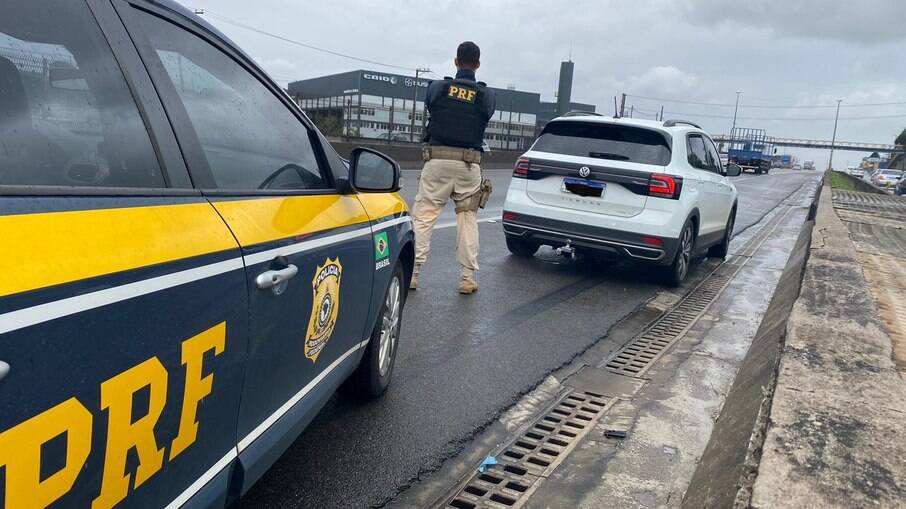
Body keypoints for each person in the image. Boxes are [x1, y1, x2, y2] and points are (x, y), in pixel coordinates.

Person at [410, 41, 496, 294]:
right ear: (478, 65)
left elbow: (431, 105)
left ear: (455, 61)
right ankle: (467, 279)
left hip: (436, 161)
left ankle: (413, 273)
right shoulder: (486, 96)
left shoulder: (437, 88)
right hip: (469, 165)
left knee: (424, 216)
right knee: (467, 219)